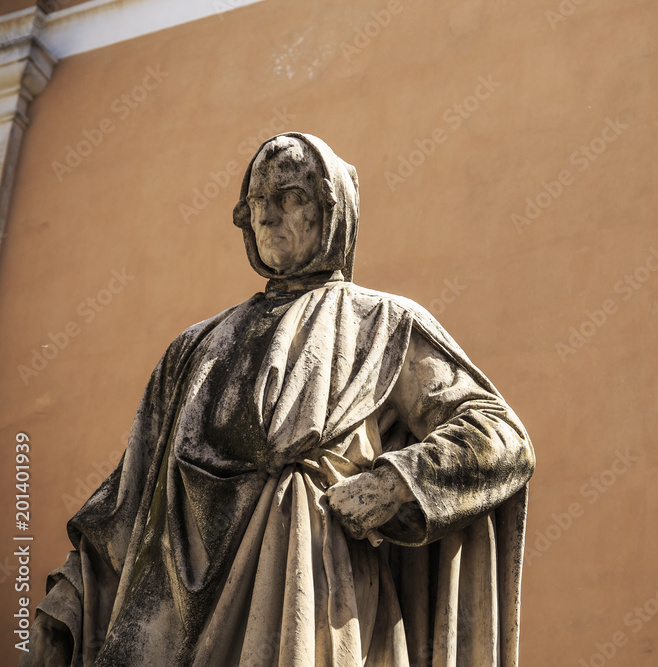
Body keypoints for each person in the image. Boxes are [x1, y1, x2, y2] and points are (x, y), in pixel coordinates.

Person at [21, 133, 535, 666]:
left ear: (332, 211)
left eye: (289, 197)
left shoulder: (382, 324)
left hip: (312, 599)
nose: (266, 217)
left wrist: (396, 483)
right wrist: (67, 606)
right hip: (172, 623)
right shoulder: (193, 349)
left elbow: (500, 435)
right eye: (255, 203)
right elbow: (125, 505)